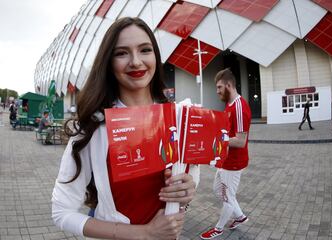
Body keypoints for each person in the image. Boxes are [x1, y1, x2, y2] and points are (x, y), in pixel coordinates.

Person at [51, 17, 198, 240]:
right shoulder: (94, 126)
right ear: (109, 62)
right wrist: (146, 233)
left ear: (156, 57)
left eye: (145, 50)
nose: (136, 62)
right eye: (122, 53)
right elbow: (62, 212)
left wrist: (186, 191)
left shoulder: (180, 117)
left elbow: (191, 180)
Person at [200, 68, 251, 239]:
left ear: (229, 85)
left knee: (228, 196)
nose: (217, 91)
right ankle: (240, 217)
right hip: (225, 160)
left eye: (220, 87)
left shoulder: (239, 107)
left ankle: (219, 228)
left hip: (234, 162)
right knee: (217, 190)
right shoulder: (229, 104)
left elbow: (241, 140)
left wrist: (217, 141)